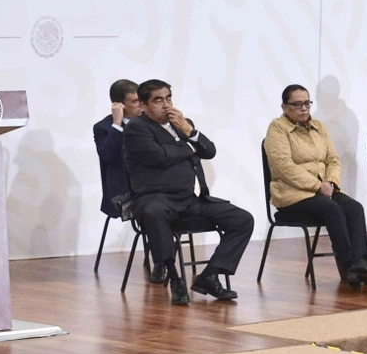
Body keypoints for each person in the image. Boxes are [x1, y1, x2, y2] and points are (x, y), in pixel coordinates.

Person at [123, 79, 254, 306]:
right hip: (154, 199)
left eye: (168, 98)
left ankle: (210, 276)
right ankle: (174, 278)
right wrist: (189, 148)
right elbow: (159, 156)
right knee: (155, 213)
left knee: (242, 219)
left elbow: (209, 151)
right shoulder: (137, 128)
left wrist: (190, 132)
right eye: (158, 100)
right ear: (143, 105)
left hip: (188, 201)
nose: (166, 105)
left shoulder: (181, 124)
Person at [264, 84, 367, 289]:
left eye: (307, 103)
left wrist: (331, 182)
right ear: (284, 107)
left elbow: (333, 159)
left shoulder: (319, 127)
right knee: (333, 209)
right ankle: (349, 267)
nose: (304, 108)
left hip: (323, 190)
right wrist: (317, 185)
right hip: (292, 195)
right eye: (297, 104)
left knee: (355, 208)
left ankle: (362, 262)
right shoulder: (277, 129)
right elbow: (284, 166)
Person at [93, 79, 155, 277]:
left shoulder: (150, 122)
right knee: (155, 210)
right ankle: (163, 262)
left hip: (152, 186)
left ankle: (162, 261)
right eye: (135, 101)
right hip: (125, 192)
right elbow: (108, 155)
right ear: (118, 104)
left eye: (141, 100)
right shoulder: (104, 127)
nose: (141, 105)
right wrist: (117, 124)